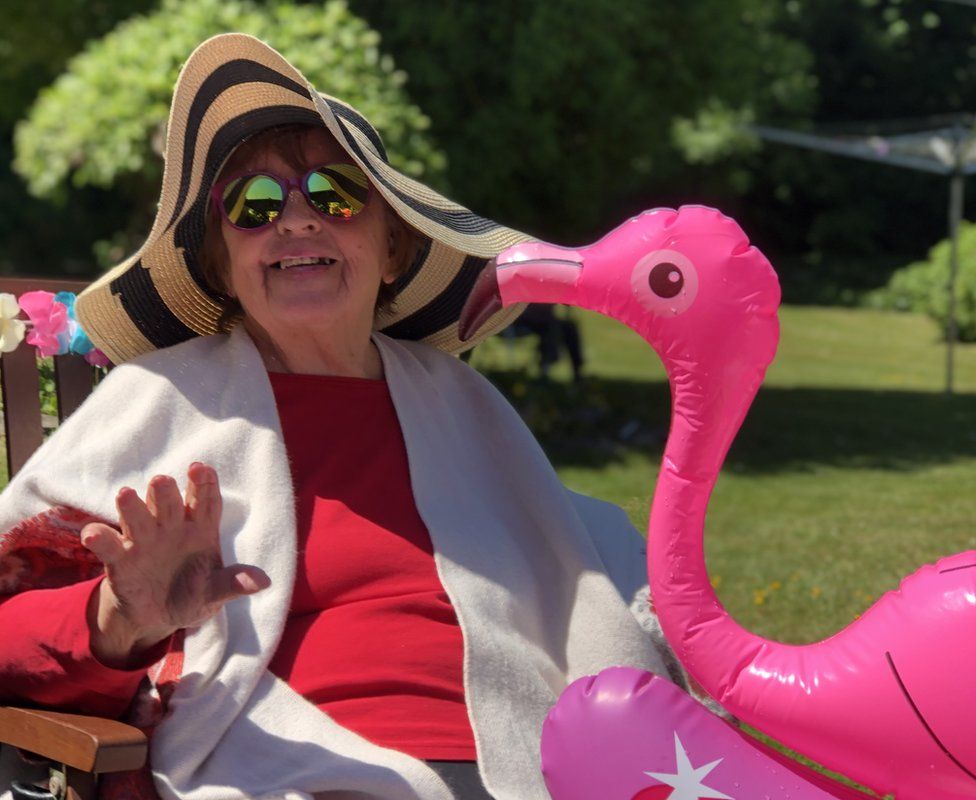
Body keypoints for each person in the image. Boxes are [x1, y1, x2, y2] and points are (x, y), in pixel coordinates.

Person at [0, 33, 687, 800]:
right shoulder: (158, 404)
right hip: (294, 771)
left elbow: (567, 577)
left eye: (336, 194)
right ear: (223, 266)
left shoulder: (462, 405)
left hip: (530, 766)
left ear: (391, 246)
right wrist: (121, 617)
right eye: (254, 206)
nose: (296, 221)